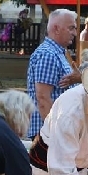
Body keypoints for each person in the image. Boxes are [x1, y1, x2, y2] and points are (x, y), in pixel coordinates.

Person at [27, 9, 80, 140]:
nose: (75, 33)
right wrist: (55, 133)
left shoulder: (56, 53)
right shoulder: (48, 55)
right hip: (49, 133)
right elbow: (43, 98)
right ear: (56, 29)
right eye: (71, 28)